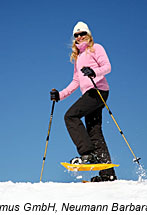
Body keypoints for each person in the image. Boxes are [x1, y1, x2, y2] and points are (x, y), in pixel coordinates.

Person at [50, 21, 117, 182]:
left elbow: (107, 67)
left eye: (82, 34)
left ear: (88, 35)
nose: (80, 37)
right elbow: (75, 81)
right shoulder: (78, 57)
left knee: (70, 116)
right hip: (90, 93)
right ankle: (108, 174)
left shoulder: (96, 48)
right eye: (77, 35)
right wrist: (60, 95)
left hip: (98, 91)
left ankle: (87, 153)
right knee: (95, 131)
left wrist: (94, 72)